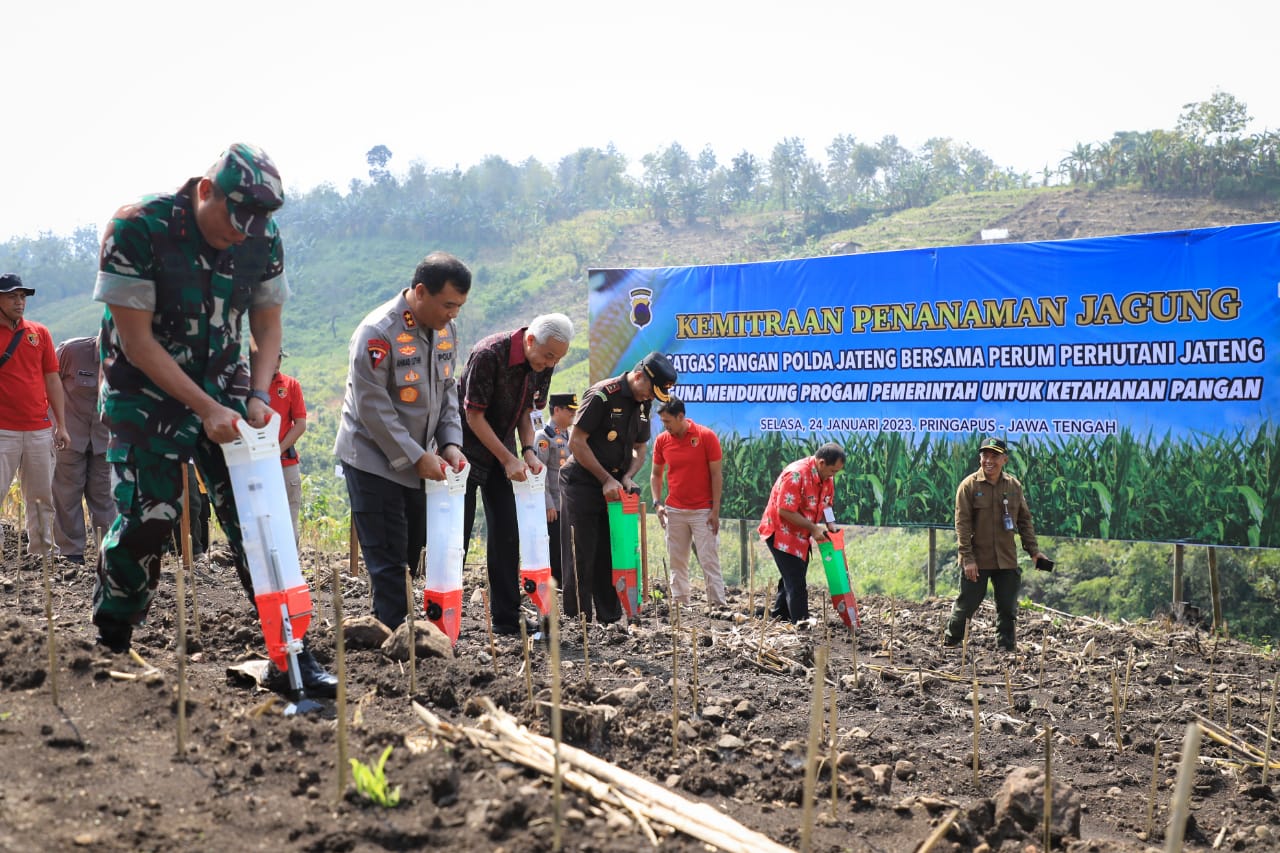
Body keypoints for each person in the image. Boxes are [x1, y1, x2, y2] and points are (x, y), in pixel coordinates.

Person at [91, 144, 335, 698]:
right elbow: (136, 341)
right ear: (206, 191)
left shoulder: (261, 237)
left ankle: (291, 654)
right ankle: (109, 640)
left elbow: (267, 327)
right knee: (148, 519)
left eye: (255, 225)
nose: (241, 234)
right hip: (145, 394)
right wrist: (204, 408)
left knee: (261, 520)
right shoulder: (137, 228)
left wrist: (256, 392)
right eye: (234, 219)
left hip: (227, 386)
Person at [335, 252, 471, 630]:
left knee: (412, 551)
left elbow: (447, 392)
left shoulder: (446, 332)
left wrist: (450, 443)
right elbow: (373, 408)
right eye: (447, 304)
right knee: (389, 559)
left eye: (459, 306)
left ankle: (398, 630)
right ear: (421, 292)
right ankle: (397, 647)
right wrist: (415, 456)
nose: (453, 314)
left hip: (419, 461)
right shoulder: (378, 333)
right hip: (373, 459)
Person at [458, 314, 574, 635]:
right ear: (530, 341)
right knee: (458, 538)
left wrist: (527, 451)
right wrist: (509, 458)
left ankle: (506, 618)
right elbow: (473, 416)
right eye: (549, 355)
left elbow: (526, 411)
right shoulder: (489, 354)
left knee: (507, 533)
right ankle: (446, 619)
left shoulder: (543, 365)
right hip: (464, 451)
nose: (551, 363)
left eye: (558, 359)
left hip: (504, 452)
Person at [560, 352, 677, 624]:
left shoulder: (644, 404)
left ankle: (609, 620)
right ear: (638, 376)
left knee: (610, 552)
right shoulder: (603, 395)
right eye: (650, 391)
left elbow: (640, 448)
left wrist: (627, 475)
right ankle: (578, 622)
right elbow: (576, 441)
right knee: (582, 553)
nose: (650, 398)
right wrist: (605, 479)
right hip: (583, 483)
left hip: (614, 487)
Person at [945, 437, 1046, 652]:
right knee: (966, 605)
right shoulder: (968, 486)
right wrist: (968, 559)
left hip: (1006, 559)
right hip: (977, 561)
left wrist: (1034, 552)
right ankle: (951, 644)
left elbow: (1024, 521)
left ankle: (1006, 651)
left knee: (1008, 609)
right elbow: (961, 525)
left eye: (994, 456)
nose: (988, 460)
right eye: (985, 456)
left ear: (1004, 459)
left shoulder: (1013, 486)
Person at [0, 273, 70, 557]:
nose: (19, 302)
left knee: (41, 498)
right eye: (12, 296)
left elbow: (52, 380)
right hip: (2, 430)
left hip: (39, 430)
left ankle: (43, 557)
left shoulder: (39, 333)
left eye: (22, 297)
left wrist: (61, 425)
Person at [649, 396, 726, 608]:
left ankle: (718, 606)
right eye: (663, 422)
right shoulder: (662, 441)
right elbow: (656, 475)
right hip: (674, 511)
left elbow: (716, 475)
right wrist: (657, 504)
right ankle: (681, 605)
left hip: (703, 511)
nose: (665, 427)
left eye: (668, 422)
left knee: (708, 560)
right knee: (677, 561)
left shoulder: (706, 436)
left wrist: (715, 510)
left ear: (681, 416)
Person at [758, 442, 846, 625]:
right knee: (796, 580)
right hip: (780, 532)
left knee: (792, 574)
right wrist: (814, 529)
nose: (834, 475)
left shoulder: (826, 478)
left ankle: (780, 615)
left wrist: (831, 525)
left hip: (800, 534)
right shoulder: (796, 475)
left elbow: (827, 504)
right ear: (821, 463)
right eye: (832, 470)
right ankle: (801, 622)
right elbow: (784, 510)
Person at [51, 335, 114, 564]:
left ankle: (107, 554)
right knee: (67, 495)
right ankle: (71, 553)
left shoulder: (130, 358)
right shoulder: (71, 351)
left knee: (105, 497)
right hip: (70, 435)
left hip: (105, 439)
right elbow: (48, 380)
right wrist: (55, 424)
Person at [263, 345, 306, 542]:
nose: (276, 362)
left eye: (278, 358)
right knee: (261, 520)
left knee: (289, 520)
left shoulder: (291, 385)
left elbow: (300, 425)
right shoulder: (247, 387)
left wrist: (277, 450)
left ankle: (290, 571)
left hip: (285, 463)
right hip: (255, 464)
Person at [535, 392, 576, 584]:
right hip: (554, 505)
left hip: (569, 502)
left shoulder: (572, 435)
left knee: (569, 547)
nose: (572, 415)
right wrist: (547, 503)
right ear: (557, 410)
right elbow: (538, 472)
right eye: (569, 411)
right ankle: (555, 586)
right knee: (555, 550)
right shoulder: (544, 437)